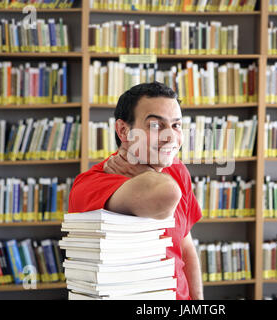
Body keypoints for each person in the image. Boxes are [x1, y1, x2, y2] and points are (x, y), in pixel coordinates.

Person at [68, 82, 204, 300]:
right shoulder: (92, 183)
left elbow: (186, 246)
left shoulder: (176, 169)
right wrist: (143, 173)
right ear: (123, 130)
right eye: (155, 126)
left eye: (176, 125)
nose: (171, 137)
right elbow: (167, 194)